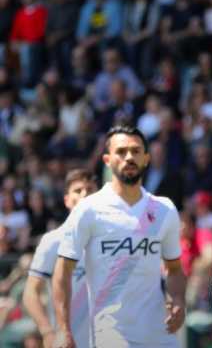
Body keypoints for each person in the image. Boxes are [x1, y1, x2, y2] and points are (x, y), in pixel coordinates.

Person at [52, 126, 186, 347]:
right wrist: (63, 329)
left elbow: (174, 270)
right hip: (111, 335)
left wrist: (178, 300)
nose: (129, 157)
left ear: (146, 158)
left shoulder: (165, 209)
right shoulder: (88, 209)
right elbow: (62, 270)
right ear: (107, 159)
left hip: (160, 334)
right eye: (121, 151)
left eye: (135, 151)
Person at [22, 169, 97, 348]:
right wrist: (47, 331)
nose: (85, 194)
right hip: (68, 343)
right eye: (78, 190)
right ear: (66, 200)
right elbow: (30, 293)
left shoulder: (111, 241)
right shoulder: (53, 241)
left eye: (91, 189)